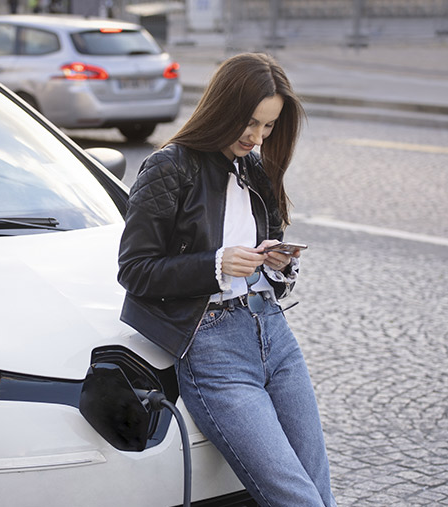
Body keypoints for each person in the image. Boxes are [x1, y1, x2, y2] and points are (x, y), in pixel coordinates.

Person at [117, 52, 336, 507]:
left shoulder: (254, 169)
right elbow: (135, 270)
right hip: (213, 348)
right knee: (296, 498)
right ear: (224, 108)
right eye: (251, 122)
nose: (258, 137)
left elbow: (266, 245)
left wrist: (277, 262)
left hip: (272, 333)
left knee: (318, 489)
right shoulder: (169, 166)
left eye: (269, 126)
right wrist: (216, 263)